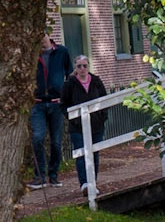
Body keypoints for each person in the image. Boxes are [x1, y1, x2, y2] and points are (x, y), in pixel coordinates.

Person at [30, 28, 73, 187]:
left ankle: (53, 175)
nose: (41, 40)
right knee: (37, 138)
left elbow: (69, 74)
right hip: (38, 103)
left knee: (56, 142)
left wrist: (66, 96)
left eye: (42, 35)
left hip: (56, 103)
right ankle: (39, 176)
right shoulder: (32, 55)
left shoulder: (62, 52)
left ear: (48, 35)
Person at [60, 56, 109, 191]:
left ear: (88, 67)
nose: (82, 69)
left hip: (96, 125)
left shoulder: (96, 81)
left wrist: (102, 117)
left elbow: (105, 99)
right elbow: (63, 104)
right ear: (75, 68)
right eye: (79, 66)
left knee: (94, 154)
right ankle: (84, 184)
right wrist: (73, 119)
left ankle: (93, 182)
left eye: (85, 66)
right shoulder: (69, 84)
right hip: (78, 126)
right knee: (81, 154)